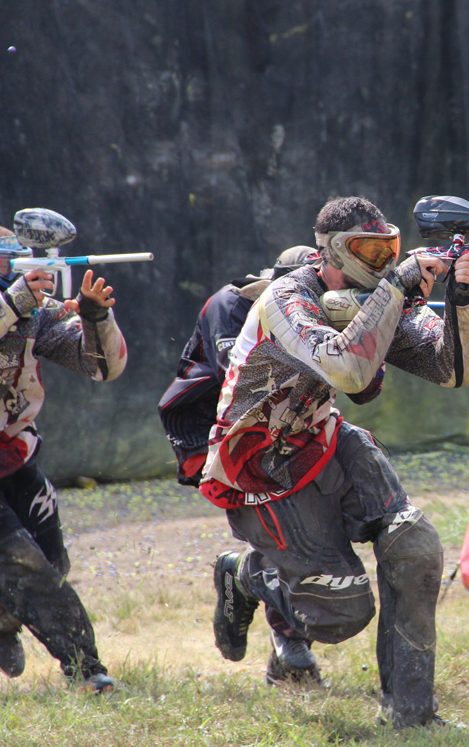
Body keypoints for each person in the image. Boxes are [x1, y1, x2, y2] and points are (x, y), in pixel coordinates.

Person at [199, 196, 469, 728]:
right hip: (259, 464)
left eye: (389, 250)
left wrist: (460, 298)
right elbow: (348, 371)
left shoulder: (376, 295)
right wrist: (395, 286)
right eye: (369, 251)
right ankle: (247, 574)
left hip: (326, 438)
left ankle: (411, 716)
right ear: (332, 250)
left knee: (415, 545)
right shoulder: (288, 297)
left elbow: (452, 370)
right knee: (341, 614)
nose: (382, 261)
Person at [159, 243, 381, 686]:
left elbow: (359, 386)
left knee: (317, 536)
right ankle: (262, 601)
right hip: (220, 438)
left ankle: (280, 645)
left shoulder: (320, 312)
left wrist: (364, 328)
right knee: (294, 539)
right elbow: (249, 383)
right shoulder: (233, 304)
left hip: (283, 433)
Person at [0, 224, 126, 693]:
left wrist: (97, 319)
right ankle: (86, 671)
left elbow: (103, 367)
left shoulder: (33, 307)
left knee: (52, 563)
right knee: (26, 566)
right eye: (1, 262)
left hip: (12, 453)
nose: (12, 272)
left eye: (18, 262)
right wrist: (13, 302)